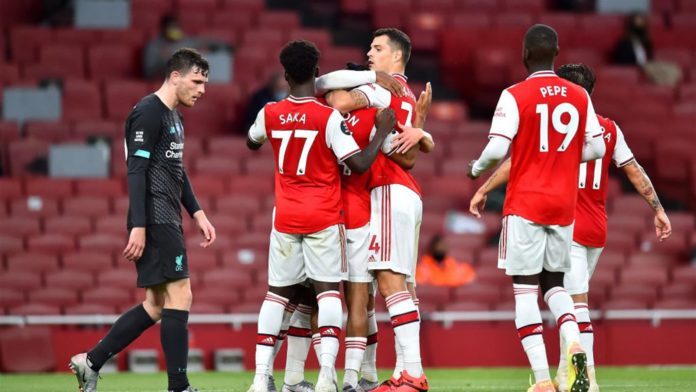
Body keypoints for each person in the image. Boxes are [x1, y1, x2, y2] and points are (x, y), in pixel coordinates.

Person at [469, 63, 672, 392]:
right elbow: (634, 170)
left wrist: (483, 187)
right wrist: (659, 209)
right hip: (597, 229)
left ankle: (588, 379)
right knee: (571, 299)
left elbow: (514, 161)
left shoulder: (553, 125)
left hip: (566, 223)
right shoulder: (609, 129)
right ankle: (567, 376)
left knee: (574, 304)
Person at [245, 39, 395, 392]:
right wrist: (382, 132)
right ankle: (328, 375)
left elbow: (251, 142)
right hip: (324, 218)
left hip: (285, 217)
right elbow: (358, 165)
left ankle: (260, 378)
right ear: (316, 73)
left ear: (284, 75)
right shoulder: (329, 117)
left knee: (276, 296)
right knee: (329, 294)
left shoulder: (269, 112)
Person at [466, 24, 606, 392]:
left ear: (525, 54)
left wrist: (476, 169)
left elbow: (497, 150)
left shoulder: (514, 94)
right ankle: (575, 344)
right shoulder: (579, 95)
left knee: (525, 290)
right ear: (556, 53)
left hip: (525, 202)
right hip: (563, 206)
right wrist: (561, 161)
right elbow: (597, 149)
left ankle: (543, 381)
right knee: (556, 286)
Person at [69, 48, 216, 392]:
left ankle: (89, 362)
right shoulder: (149, 112)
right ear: (175, 76)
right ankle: (179, 386)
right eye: (196, 81)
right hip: (155, 218)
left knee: (156, 304)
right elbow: (135, 170)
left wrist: (197, 212)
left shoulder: (174, 117)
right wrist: (139, 224)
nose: (202, 90)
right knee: (181, 295)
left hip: (167, 215)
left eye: (205, 83)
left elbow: (175, 170)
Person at [318, 28, 435, 392]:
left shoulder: (381, 89)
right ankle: (403, 372)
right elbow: (412, 156)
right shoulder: (409, 97)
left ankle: (412, 375)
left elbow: (334, 98)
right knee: (404, 285)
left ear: (396, 57)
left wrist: (365, 83)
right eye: (369, 46)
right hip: (408, 194)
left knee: (388, 282)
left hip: (387, 191)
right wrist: (422, 129)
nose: (370, 52)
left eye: (378, 48)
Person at [143, 14, 230, 80]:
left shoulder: (185, 42)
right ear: (163, 29)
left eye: (176, 27)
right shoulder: (154, 47)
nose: (174, 29)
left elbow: (205, 42)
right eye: (171, 27)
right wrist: (167, 63)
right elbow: (148, 73)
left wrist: (224, 46)